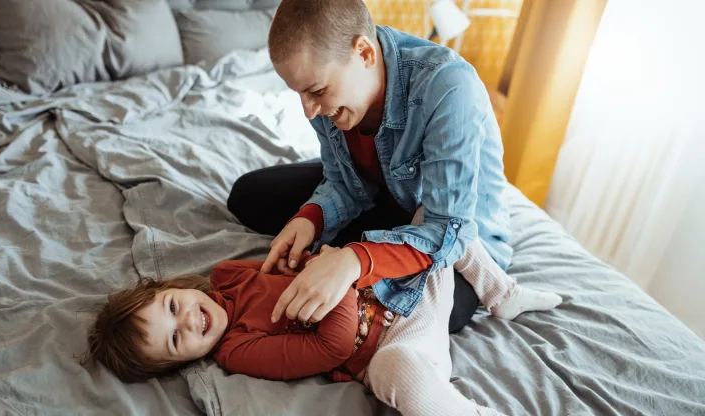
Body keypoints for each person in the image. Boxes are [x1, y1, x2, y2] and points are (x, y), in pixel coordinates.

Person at [226, 0, 563, 334]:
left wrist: (354, 260)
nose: (309, 111)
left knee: (436, 312)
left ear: (364, 53)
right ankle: (357, 248)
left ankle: (363, 252)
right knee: (248, 196)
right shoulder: (327, 101)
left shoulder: (448, 86)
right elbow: (342, 180)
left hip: (454, 229)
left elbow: (447, 227)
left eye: (316, 91)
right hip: (381, 198)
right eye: (299, 94)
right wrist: (310, 219)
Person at [81, 248, 569, 416]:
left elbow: (297, 262)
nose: (187, 320)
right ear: (179, 362)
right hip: (393, 343)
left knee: (441, 216)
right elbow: (332, 346)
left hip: (403, 288)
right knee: (402, 379)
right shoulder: (237, 349)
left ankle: (501, 294)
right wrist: (334, 276)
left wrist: (327, 259)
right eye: (175, 340)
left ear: (173, 287)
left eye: (171, 307)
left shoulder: (229, 273)